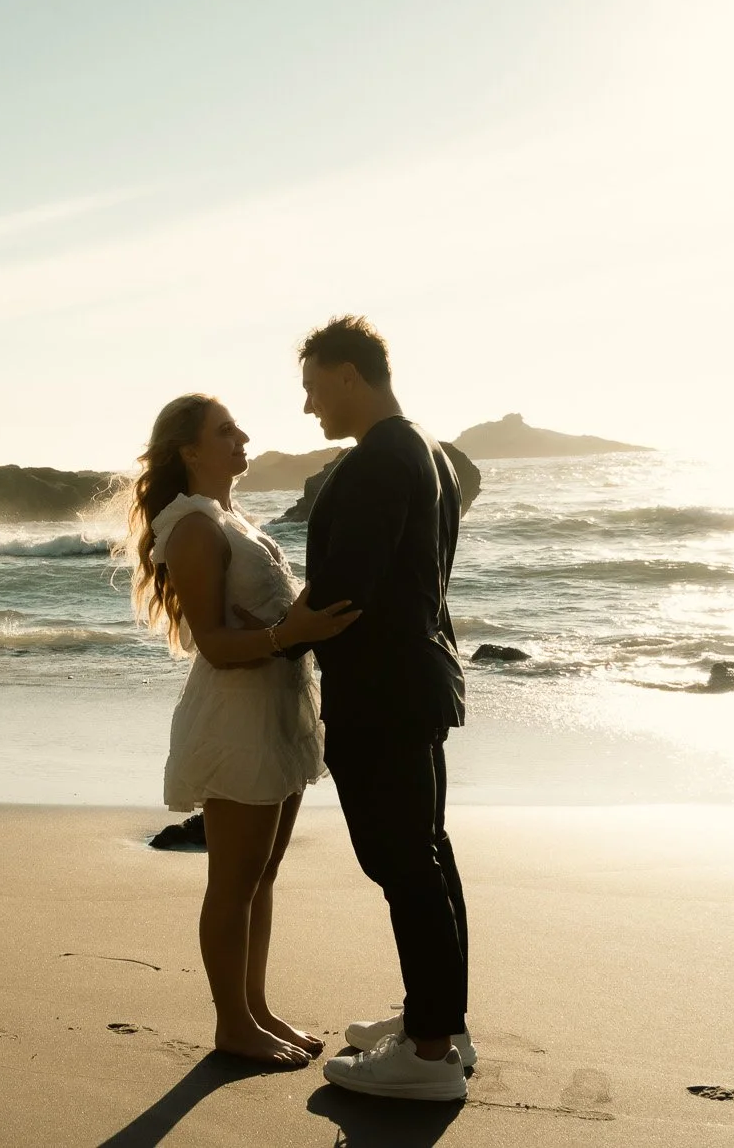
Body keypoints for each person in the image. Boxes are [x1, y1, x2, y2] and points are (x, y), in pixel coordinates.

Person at [125, 392, 361, 1067]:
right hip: (238, 720)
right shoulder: (195, 528)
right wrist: (291, 631)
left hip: (278, 709)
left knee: (263, 873)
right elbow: (214, 644)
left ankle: (255, 1007)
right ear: (190, 451)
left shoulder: (231, 520)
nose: (242, 437)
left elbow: (267, 621)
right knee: (233, 881)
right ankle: (232, 1023)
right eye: (225, 431)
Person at [284, 316, 475, 1102]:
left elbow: (343, 590)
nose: (309, 405)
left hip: (384, 692)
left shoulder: (378, 460)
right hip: (418, 680)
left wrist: (272, 640)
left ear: (349, 376)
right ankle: (440, 1022)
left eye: (313, 387)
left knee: (403, 862)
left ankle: (428, 1054)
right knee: (425, 852)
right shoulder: (425, 449)